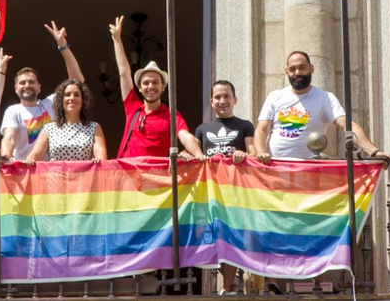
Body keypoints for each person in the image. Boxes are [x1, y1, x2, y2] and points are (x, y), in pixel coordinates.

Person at [254, 51, 388, 162]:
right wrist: (261, 152)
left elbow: (347, 126)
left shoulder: (325, 98)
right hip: (275, 170)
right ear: (286, 72)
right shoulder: (275, 96)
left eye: (302, 67)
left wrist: (373, 151)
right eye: (292, 69)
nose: (297, 73)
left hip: (309, 171)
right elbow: (262, 130)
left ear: (311, 68)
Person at [110, 16, 205, 159]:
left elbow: (185, 136)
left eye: (155, 82)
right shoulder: (133, 107)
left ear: (163, 87)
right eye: (146, 83)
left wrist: (200, 156)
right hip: (127, 171)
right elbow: (124, 73)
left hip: (155, 173)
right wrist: (117, 40)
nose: (150, 86)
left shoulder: (171, 115)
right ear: (139, 88)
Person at [195, 79, 254, 294]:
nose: (222, 100)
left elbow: (253, 153)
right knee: (205, 237)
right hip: (209, 192)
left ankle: (228, 288)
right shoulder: (202, 129)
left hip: (234, 192)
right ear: (211, 101)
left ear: (235, 99)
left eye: (226, 96)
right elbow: (195, 155)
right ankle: (231, 280)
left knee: (229, 237)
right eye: (218, 97)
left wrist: (243, 155)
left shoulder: (245, 125)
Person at [1, 21, 85, 161]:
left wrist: (63, 46)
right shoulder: (13, 111)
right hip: (24, 170)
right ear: (16, 89)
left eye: (31, 82)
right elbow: (9, 138)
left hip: (50, 170)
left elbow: (77, 81)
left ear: (39, 87)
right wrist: (5, 159)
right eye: (22, 83)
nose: (27, 85)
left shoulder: (49, 104)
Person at [24, 78, 107, 163]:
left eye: (76, 95)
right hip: (56, 172)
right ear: (61, 100)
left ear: (83, 100)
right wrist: (29, 161)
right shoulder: (49, 129)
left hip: (84, 172)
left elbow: (102, 159)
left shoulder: (94, 127)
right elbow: (35, 155)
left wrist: (98, 160)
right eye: (67, 95)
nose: (72, 98)